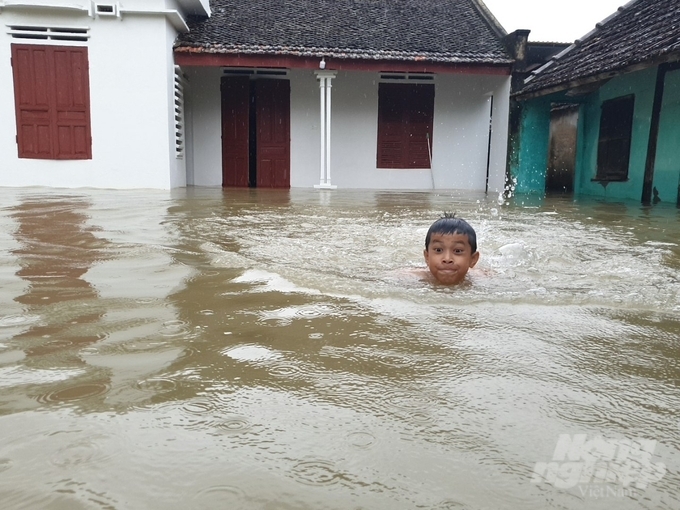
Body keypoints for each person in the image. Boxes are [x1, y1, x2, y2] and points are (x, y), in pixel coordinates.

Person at [418, 213, 480, 285]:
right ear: (427, 257)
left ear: (473, 259)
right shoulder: (413, 278)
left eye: (457, 251)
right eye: (438, 250)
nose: (447, 259)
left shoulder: (483, 280)